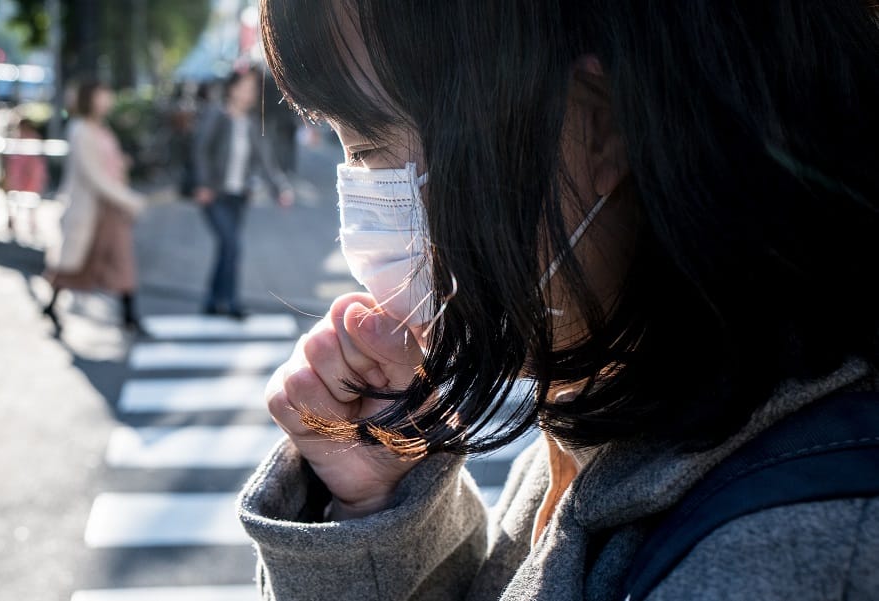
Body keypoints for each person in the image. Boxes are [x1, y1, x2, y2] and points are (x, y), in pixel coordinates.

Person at [239, 1, 879, 600]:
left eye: (372, 150)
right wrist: (373, 505)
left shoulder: (785, 556)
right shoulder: (601, 422)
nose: (362, 209)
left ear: (602, 126)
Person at [43, 81, 147, 333]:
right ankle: (52, 304)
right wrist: (129, 199)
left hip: (109, 209)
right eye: (102, 96)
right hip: (91, 208)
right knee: (75, 263)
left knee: (122, 260)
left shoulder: (101, 128)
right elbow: (94, 175)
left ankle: (129, 315)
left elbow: (108, 166)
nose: (108, 101)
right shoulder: (79, 130)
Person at [192, 67, 294, 318]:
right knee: (231, 245)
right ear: (232, 88)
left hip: (238, 198)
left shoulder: (250, 123)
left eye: (253, 89)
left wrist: (278, 189)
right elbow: (200, 151)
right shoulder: (217, 115)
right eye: (246, 87)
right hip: (215, 195)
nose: (250, 93)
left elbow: (265, 159)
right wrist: (203, 184)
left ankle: (213, 301)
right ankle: (231, 303)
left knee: (228, 248)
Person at [2, 115, 48, 239]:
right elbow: (11, 162)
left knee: (29, 204)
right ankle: (13, 225)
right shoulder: (17, 140)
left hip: (29, 178)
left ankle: (31, 227)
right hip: (17, 178)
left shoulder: (32, 140)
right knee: (15, 203)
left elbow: (37, 163)